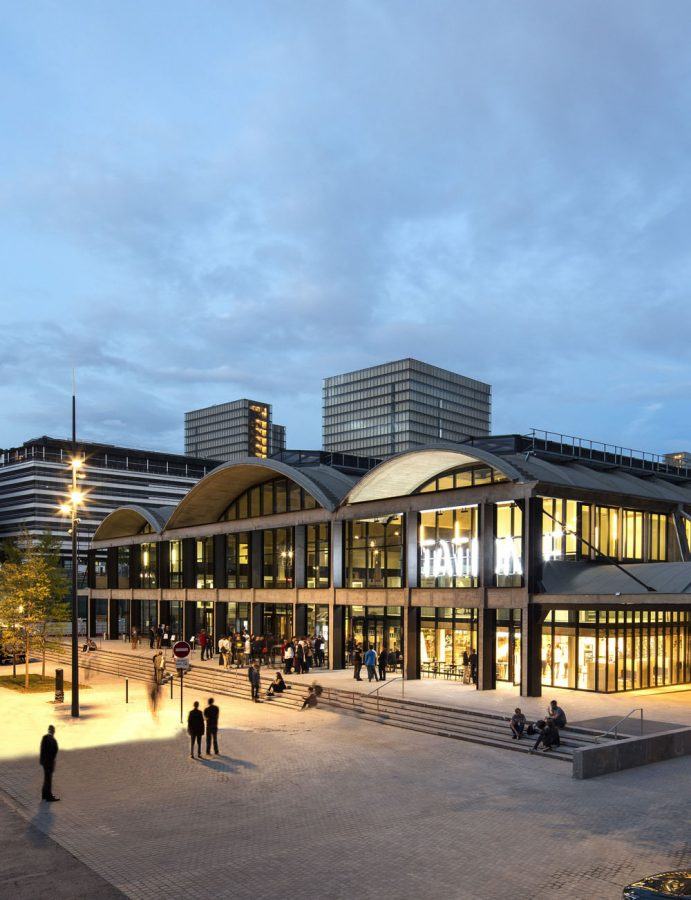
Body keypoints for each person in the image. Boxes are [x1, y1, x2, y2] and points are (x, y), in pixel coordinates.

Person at [39, 725, 59, 802]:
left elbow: (42, 749)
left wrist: (42, 760)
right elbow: (51, 751)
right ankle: (49, 796)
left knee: (46, 778)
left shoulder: (45, 737)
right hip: (48, 762)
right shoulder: (51, 739)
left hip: (46, 762)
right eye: (52, 730)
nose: (53, 732)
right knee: (48, 779)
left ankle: (44, 795)